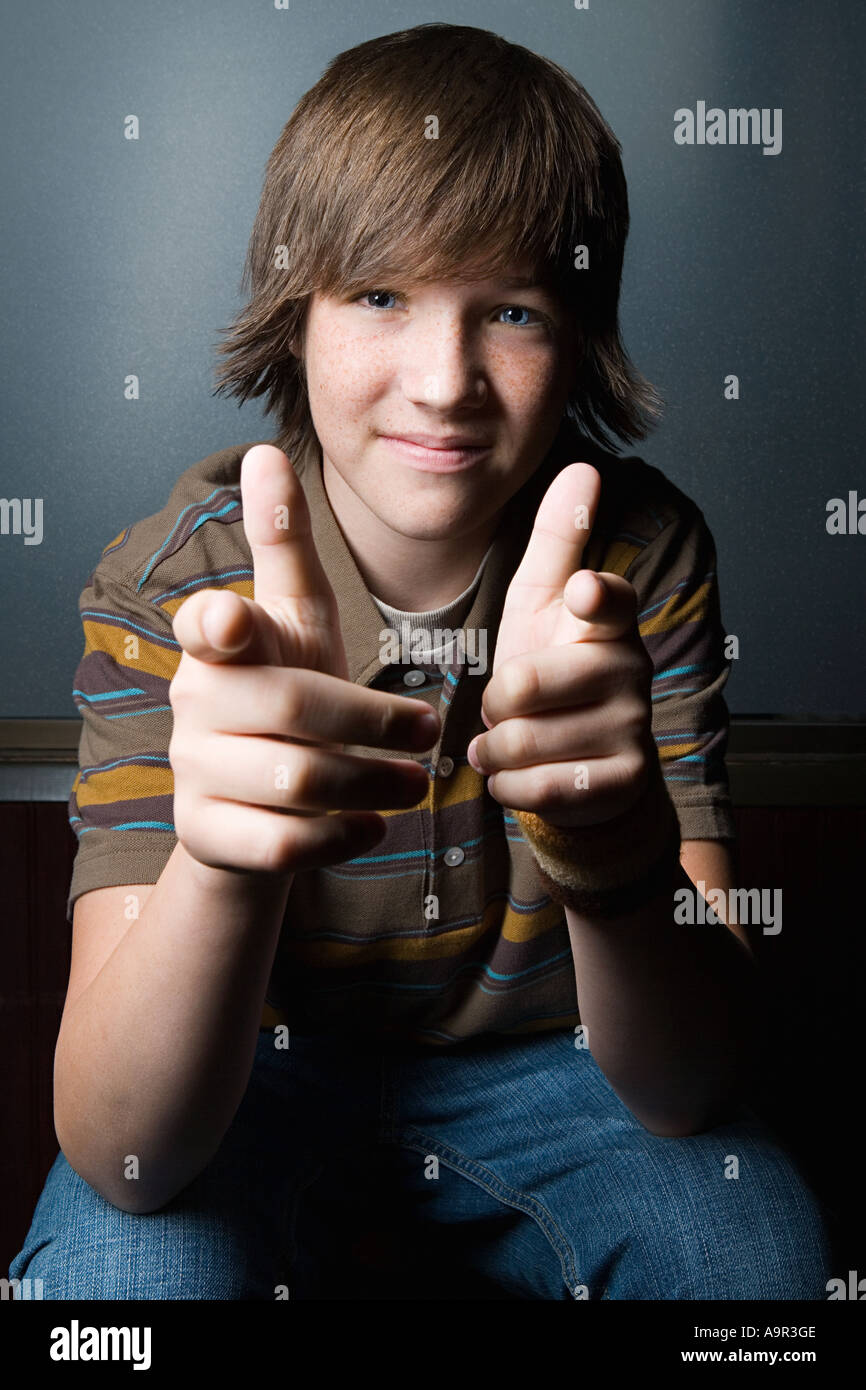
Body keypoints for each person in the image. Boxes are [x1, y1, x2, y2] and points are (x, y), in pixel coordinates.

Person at [10, 22, 832, 1300]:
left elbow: (685, 1089)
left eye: (508, 309)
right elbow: (124, 1153)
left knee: (750, 1253)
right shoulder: (166, 584)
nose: (443, 381)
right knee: (111, 1292)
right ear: (298, 317)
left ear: (577, 338)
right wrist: (224, 864)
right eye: (380, 295)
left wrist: (614, 862)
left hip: (562, 1065)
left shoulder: (642, 558)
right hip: (253, 1064)